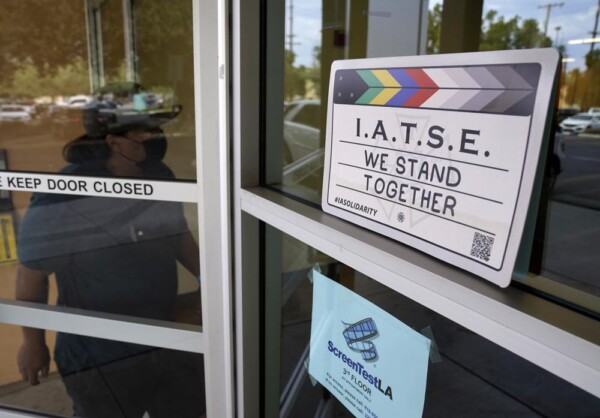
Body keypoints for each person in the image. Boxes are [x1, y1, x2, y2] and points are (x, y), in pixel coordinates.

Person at [15, 112, 206, 417]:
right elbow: (31, 276)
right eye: (144, 134)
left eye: (157, 131)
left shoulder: (158, 175)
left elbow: (177, 234)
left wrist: (207, 284)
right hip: (99, 355)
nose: (157, 139)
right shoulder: (64, 194)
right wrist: (33, 344)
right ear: (114, 143)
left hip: (164, 337)